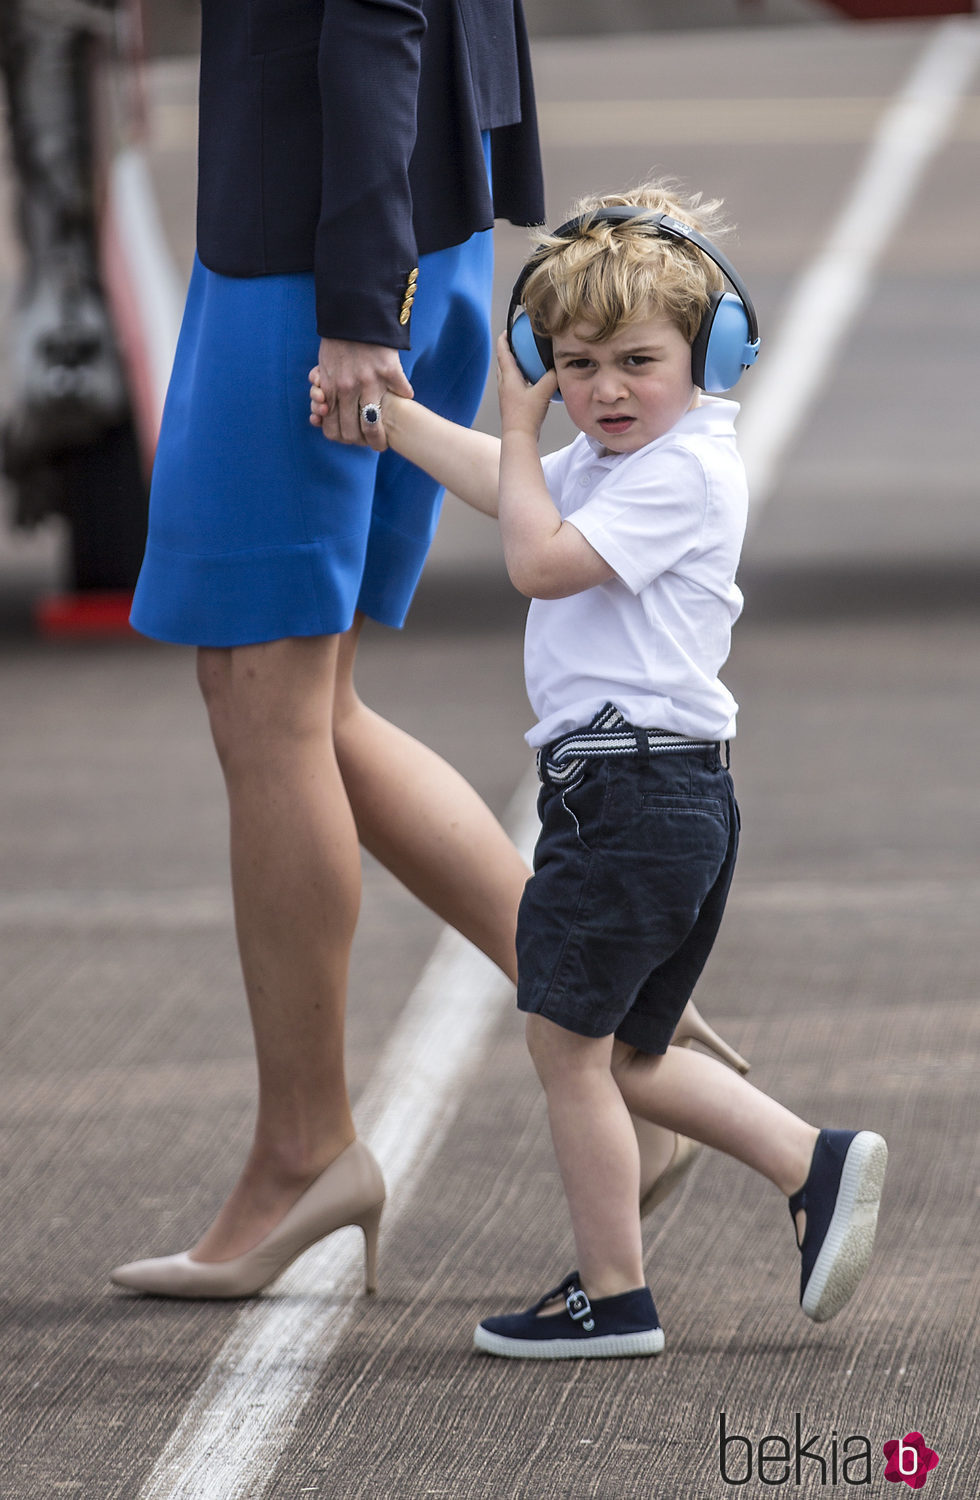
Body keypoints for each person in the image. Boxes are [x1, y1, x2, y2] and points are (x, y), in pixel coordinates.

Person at [107, 0, 707, 1302]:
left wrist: (357, 301)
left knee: (265, 704)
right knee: (310, 710)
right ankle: (650, 1045)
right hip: (395, 223)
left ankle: (305, 1149)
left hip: (318, 258)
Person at [310, 181, 889, 1358]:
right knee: (626, 1053)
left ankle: (612, 1295)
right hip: (658, 796)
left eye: (635, 361)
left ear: (709, 354)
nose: (604, 391)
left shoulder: (681, 472)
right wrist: (388, 418)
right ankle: (808, 1162)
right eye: (573, 366)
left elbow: (535, 559)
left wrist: (527, 434)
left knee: (562, 1048)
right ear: (544, 360)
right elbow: (498, 483)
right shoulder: (626, 457)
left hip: (630, 798)